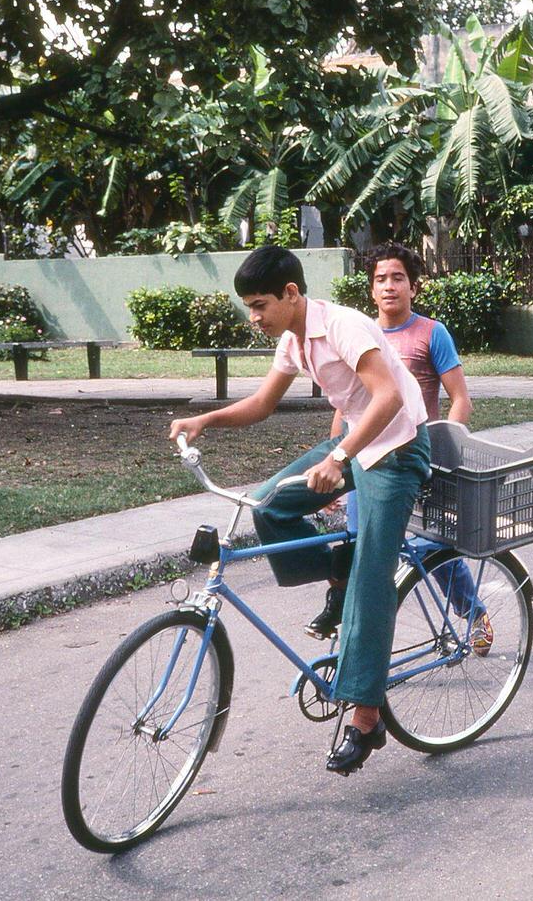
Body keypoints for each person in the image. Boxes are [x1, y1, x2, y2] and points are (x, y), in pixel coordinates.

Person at [168, 245, 431, 776]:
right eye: (248, 306)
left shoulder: (344, 326)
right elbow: (263, 405)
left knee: (371, 579)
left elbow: (389, 398)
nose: (254, 317)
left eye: (260, 304)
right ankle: (338, 567)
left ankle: (364, 716)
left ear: (291, 294)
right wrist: (206, 421)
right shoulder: (292, 339)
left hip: (397, 448)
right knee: (270, 505)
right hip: (357, 444)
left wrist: (338, 458)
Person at [304, 243, 486, 648]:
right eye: (380, 280)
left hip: (413, 455)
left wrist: (443, 451)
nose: (389, 287)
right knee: (356, 546)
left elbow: (461, 400)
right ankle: (350, 632)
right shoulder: (354, 331)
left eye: (398, 278)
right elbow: (348, 407)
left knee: (430, 545)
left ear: (413, 288)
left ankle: (472, 612)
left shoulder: (431, 333)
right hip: (366, 455)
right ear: (370, 290)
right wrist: (336, 463)